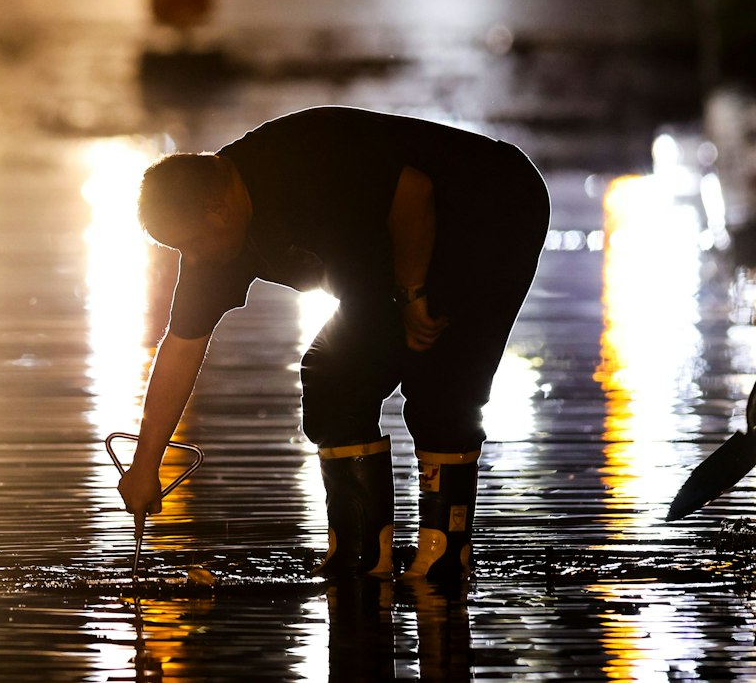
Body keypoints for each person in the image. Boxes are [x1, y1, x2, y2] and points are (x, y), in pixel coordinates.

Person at [117, 106, 549, 583]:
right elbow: (181, 345)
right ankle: (363, 557)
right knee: (333, 380)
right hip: (383, 265)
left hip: (487, 208)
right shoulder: (216, 236)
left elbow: (414, 191)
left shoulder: (296, 162)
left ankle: (444, 559)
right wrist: (145, 466)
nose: (190, 259)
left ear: (216, 210)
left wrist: (412, 293)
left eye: (190, 244)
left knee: (441, 387)